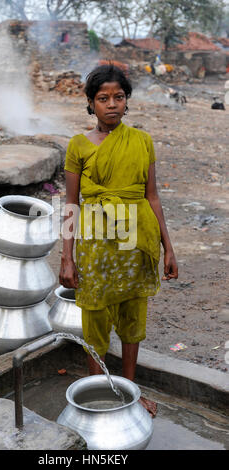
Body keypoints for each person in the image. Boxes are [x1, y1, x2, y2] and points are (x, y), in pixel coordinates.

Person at [59, 64, 178, 418]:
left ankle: (128, 392)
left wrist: (168, 247)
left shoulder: (142, 141)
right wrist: (67, 257)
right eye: (103, 98)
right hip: (96, 242)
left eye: (119, 97)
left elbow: (153, 196)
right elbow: (70, 204)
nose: (112, 105)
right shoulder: (78, 145)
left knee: (132, 318)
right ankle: (98, 394)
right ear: (90, 103)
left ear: (127, 102)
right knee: (94, 319)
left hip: (135, 241)